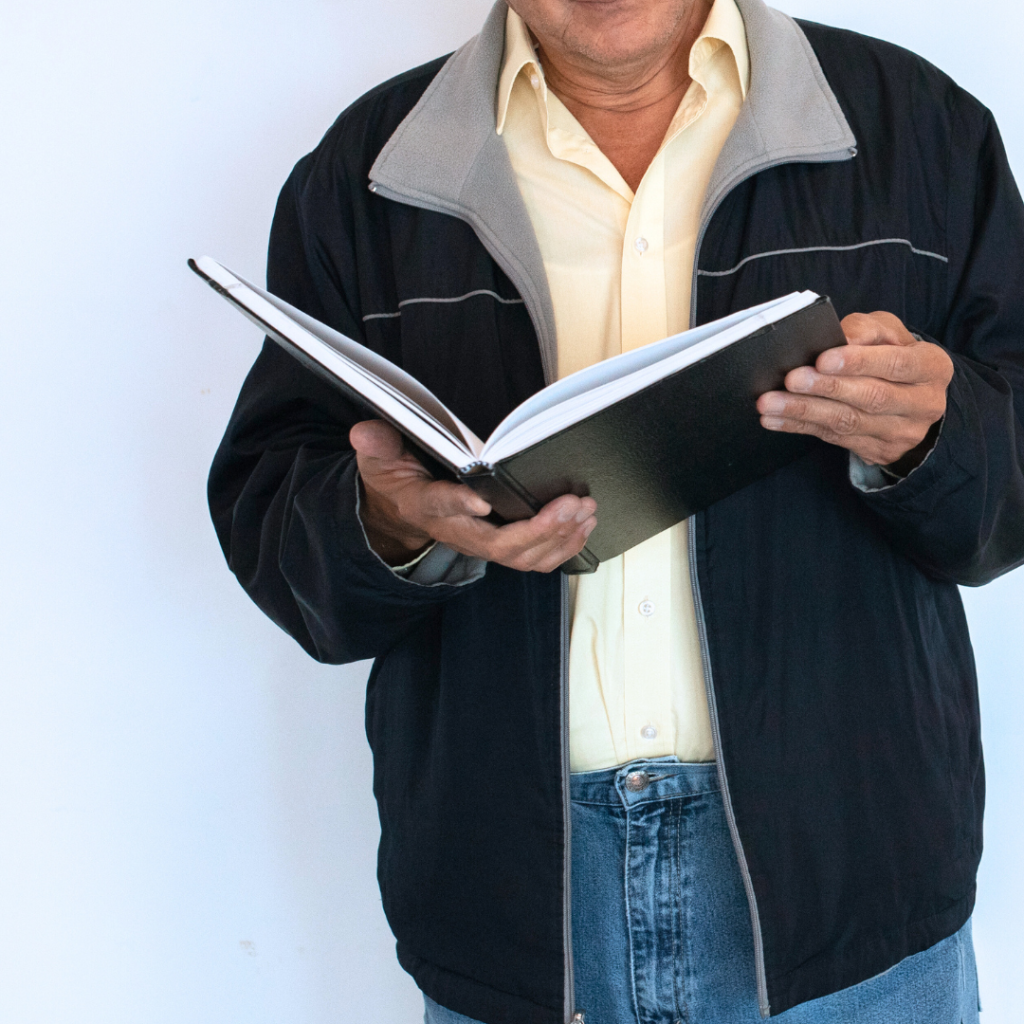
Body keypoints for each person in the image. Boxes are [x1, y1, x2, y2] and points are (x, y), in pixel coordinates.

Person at [207, 0, 1024, 1020]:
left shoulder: (920, 129)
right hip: (511, 905)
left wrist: (931, 436)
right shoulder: (364, 174)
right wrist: (391, 524)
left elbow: (1007, 499)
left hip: (852, 889)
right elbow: (276, 528)